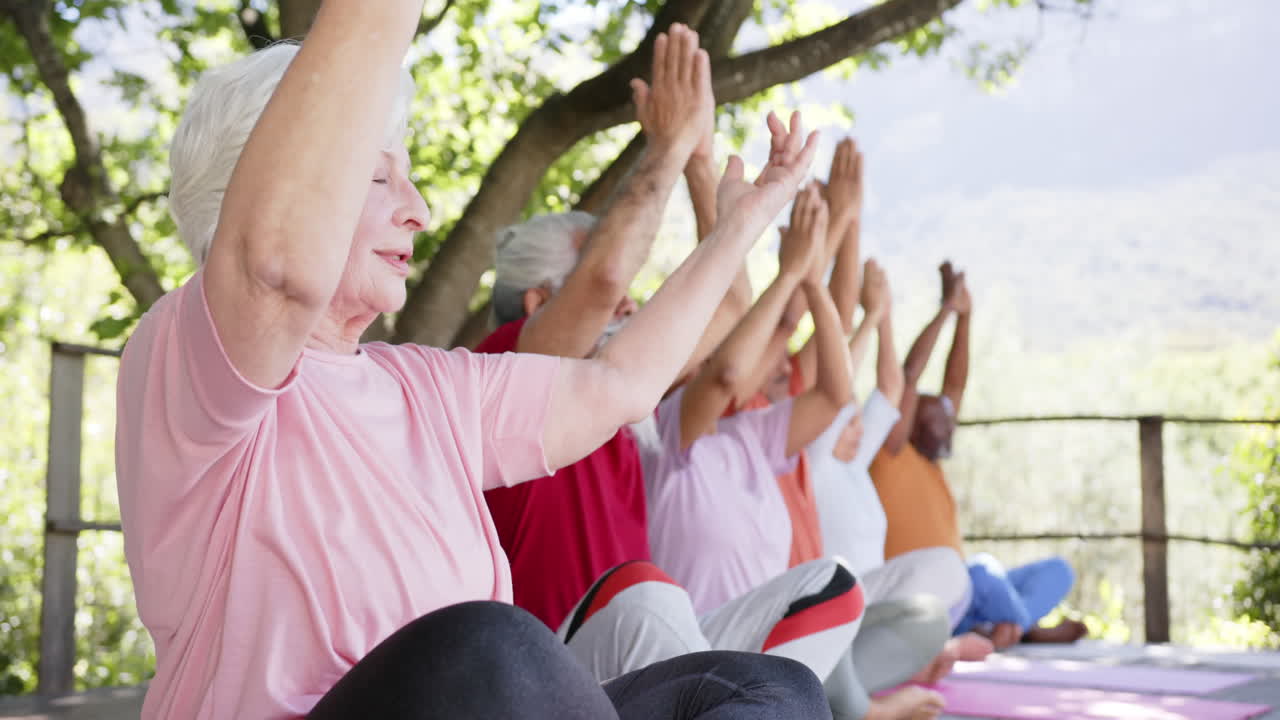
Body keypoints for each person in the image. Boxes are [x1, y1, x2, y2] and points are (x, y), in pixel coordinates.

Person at [113, 2, 833, 716]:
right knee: (488, 647)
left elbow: (624, 384)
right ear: (266, 185)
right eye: (377, 177)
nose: (419, 209)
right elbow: (275, 268)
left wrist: (746, 219)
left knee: (765, 689)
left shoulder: (427, 385)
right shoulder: (186, 360)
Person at [479, 32, 864, 688]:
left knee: (830, 589)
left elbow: (730, 303)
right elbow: (607, 290)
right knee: (647, 596)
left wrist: (704, 166)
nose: (627, 293)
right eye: (601, 264)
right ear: (540, 300)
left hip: (643, 652)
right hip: (560, 666)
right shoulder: (507, 364)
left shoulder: (618, 379)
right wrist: (671, 144)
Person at [870, 263, 1086, 648]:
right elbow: (909, 374)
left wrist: (966, 317)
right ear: (911, 422)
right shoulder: (890, 453)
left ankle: (998, 627)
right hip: (925, 599)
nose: (950, 427)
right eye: (939, 422)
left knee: (1058, 571)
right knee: (984, 570)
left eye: (950, 421)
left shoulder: (932, 460)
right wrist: (946, 311)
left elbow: (955, 383)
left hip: (967, 595)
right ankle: (1026, 629)